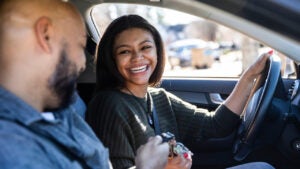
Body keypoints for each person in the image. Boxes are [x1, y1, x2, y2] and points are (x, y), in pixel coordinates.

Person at [85, 14, 275, 169]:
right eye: (125, 51)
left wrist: (249, 77)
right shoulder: (109, 105)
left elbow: (215, 125)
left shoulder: (159, 98)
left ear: (157, 52)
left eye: (145, 47)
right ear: (111, 59)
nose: (138, 57)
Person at [0, 1, 169, 169]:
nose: (83, 64)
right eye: (81, 46)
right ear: (46, 36)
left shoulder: (62, 109)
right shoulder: (11, 148)